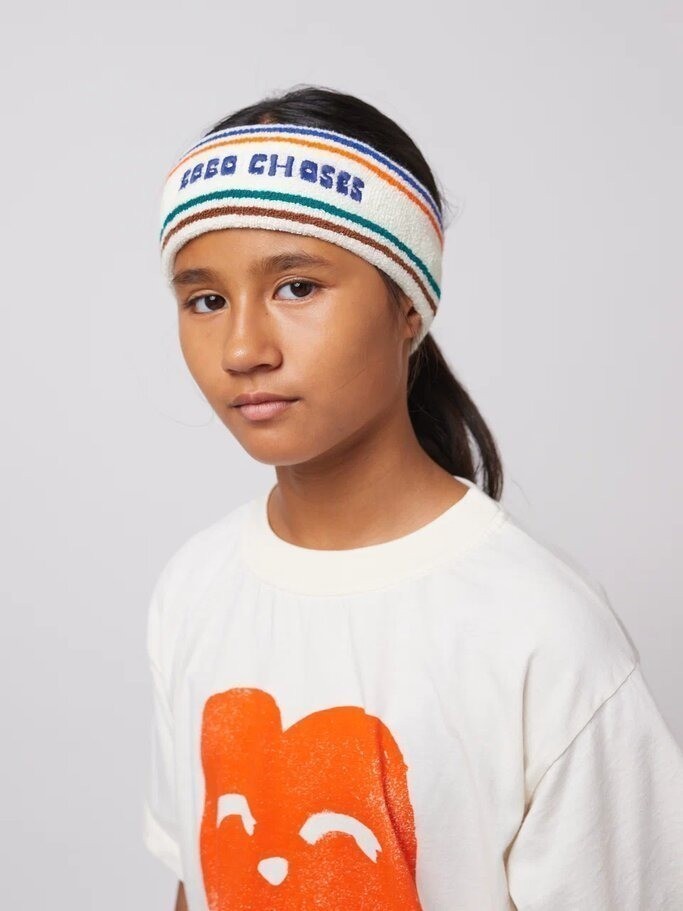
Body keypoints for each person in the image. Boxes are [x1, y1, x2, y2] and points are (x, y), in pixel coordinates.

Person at [142, 85, 683, 911]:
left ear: (407, 305)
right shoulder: (195, 587)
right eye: (205, 300)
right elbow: (201, 877)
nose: (243, 347)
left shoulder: (542, 636)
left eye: (297, 286)